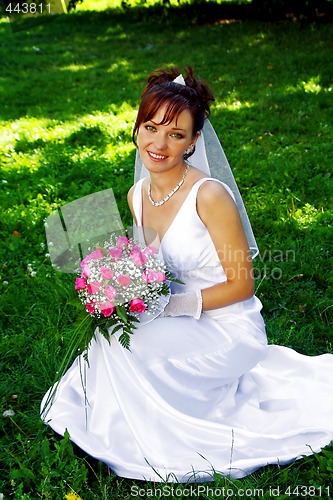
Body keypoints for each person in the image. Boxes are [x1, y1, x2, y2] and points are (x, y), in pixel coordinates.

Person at [41, 67, 333, 483]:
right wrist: (116, 284)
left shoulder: (210, 195)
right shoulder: (136, 194)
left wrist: (176, 305)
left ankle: (163, 436)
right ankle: (116, 429)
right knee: (109, 333)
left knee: (132, 345)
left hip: (227, 325)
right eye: (151, 127)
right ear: (137, 128)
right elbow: (149, 264)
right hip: (173, 312)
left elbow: (242, 284)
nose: (159, 144)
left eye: (176, 134)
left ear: (194, 141)